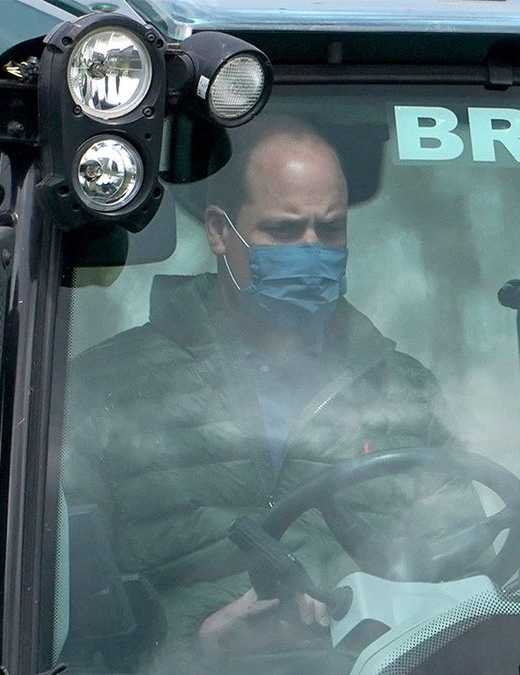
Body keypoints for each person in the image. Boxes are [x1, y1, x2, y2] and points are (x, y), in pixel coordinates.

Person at [64, 116, 483, 654]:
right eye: (284, 231)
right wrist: (203, 648)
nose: (311, 250)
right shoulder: (105, 390)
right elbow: (57, 626)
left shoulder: (406, 392)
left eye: (329, 230)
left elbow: (467, 586)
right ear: (219, 232)